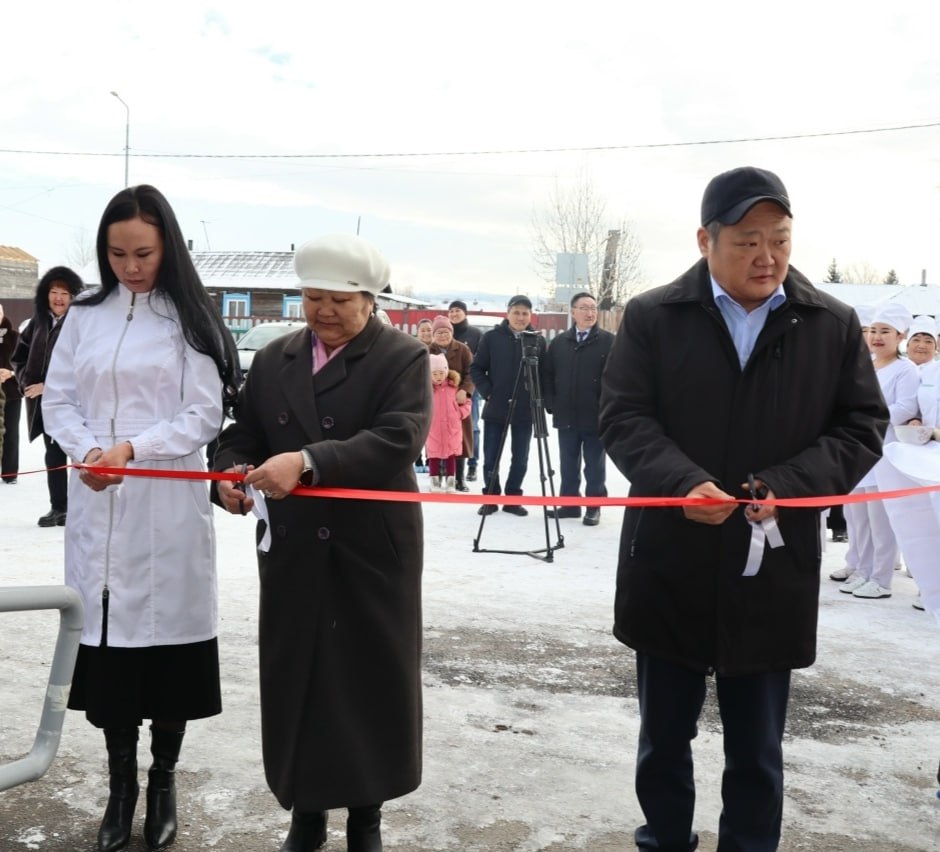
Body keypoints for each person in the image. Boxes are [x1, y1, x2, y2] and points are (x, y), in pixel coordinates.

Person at [598, 166, 887, 852]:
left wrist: (785, 485)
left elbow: (860, 427)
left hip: (770, 564)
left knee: (757, 748)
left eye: (780, 240)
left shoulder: (830, 324)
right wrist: (681, 482)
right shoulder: (653, 317)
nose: (767, 257)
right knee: (663, 738)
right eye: (747, 241)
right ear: (706, 240)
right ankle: (664, 840)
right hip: (670, 555)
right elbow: (624, 417)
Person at [213, 233, 431, 852]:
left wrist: (308, 461)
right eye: (312, 297)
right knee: (299, 676)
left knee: (368, 681)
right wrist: (229, 474)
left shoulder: (401, 358)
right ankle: (305, 813)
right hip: (295, 548)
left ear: (368, 299)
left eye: (338, 299)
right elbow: (243, 434)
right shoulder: (279, 357)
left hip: (370, 552)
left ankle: (367, 816)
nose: (324, 311)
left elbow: (398, 438)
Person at [41, 184, 240, 852]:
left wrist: (135, 448)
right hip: (99, 501)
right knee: (112, 661)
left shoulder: (189, 319)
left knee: (169, 660)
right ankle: (119, 784)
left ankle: (162, 782)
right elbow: (59, 398)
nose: (130, 266)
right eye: (118, 253)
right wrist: (89, 449)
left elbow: (203, 414)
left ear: (169, 248)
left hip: (167, 503)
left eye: (144, 253)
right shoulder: (87, 315)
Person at [839, 302, 918, 599]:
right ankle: (862, 569)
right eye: (873, 330)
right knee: (857, 517)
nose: (877, 336)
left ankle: (881, 578)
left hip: (885, 452)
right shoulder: (865, 364)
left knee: (880, 521)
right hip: (857, 449)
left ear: (901, 336)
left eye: (886, 331)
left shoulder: (905, 369)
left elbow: (905, 408)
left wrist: (867, 415)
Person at [11, 267, 84, 524]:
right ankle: (59, 507)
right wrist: (27, 384)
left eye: (65, 293)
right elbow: (18, 358)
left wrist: (49, 386)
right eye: (54, 292)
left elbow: (86, 368)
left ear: (75, 296)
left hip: (76, 406)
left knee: (80, 454)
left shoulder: (82, 325)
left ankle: (82, 508)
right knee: (52, 455)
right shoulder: (37, 323)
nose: (59, 298)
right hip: (45, 406)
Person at [470, 295, 546, 517]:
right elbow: (476, 369)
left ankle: (513, 498)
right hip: (497, 407)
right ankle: (491, 497)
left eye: (525, 313)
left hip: (525, 408)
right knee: (492, 455)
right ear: (508, 313)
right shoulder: (492, 338)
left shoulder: (537, 341)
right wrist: (489, 392)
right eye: (517, 312)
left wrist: (539, 398)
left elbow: (545, 374)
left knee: (520, 457)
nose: (520, 317)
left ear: (530, 316)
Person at [543, 291, 614, 526]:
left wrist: (607, 407)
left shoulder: (608, 342)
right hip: (566, 415)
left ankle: (595, 506)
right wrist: (551, 403)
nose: (590, 312)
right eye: (584, 308)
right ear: (573, 312)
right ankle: (570, 505)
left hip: (595, 416)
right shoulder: (560, 342)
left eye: (593, 308)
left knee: (594, 465)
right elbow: (548, 375)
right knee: (568, 463)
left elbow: (617, 379)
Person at [428, 314, 474, 491]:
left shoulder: (462, 349)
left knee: (459, 440)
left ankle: (459, 478)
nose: (442, 335)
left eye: (446, 332)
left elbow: (472, 372)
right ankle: (437, 476)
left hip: (457, 399)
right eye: (438, 332)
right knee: (435, 440)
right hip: (435, 399)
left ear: (451, 332)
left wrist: (465, 390)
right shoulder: (427, 349)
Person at [449, 299, 483, 481]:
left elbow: (481, 362)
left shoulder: (475, 334)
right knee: (446, 426)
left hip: (470, 388)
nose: (454, 314)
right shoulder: (444, 333)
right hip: (446, 389)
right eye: (451, 311)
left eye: (458, 311)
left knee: (473, 427)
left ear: (465, 313)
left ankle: (472, 464)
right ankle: (447, 462)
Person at [0, 303, 21, 483]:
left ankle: (9, 473)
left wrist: (11, 373)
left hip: (11, 393)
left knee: (11, 433)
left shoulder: (15, 337)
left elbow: (25, 364)